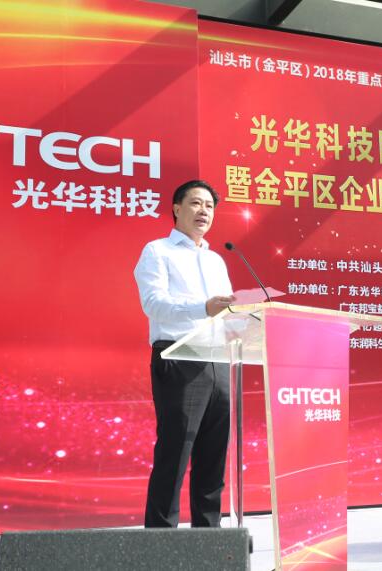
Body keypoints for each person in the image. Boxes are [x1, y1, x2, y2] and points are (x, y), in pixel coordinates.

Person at [133, 180, 235, 528]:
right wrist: (202, 308)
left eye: (209, 206)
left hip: (218, 359)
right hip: (179, 359)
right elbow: (154, 304)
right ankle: (162, 542)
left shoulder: (216, 260)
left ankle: (209, 539)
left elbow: (225, 312)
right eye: (196, 203)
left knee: (213, 457)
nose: (204, 211)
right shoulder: (157, 251)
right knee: (175, 454)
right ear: (177, 208)